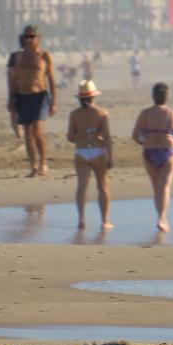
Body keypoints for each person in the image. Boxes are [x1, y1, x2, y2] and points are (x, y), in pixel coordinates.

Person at [132, 82, 173, 233]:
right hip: (167, 150)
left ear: (153, 96)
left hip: (149, 151)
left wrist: (144, 141)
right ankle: (162, 218)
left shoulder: (145, 113)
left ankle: (160, 217)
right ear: (167, 96)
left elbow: (135, 135)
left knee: (156, 187)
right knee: (165, 186)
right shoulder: (172, 113)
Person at [8, 25, 56, 177]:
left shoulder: (44, 56)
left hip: (40, 96)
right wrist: (11, 99)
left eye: (32, 36)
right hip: (23, 97)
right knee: (28, 135)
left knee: (38, 131)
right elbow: (13, 80)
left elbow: (52, 80)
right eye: (26, 36)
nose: (29, 39)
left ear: (38, 38)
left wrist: (54, 102)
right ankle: (33, 166)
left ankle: (43, 163)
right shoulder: (17, 57)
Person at [66, 80, 113, 233]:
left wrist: (82, 133)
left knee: (82, 187)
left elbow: (70, 137)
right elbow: (107, 137)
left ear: (79, 97)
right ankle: (104, 221)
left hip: (81, 152)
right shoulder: (101, 113)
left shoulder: (74, 114)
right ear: (93, 97)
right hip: (98, 151)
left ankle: (81, 219)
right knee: (102, 186)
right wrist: (110, 156)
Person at [5, 36, 24, 140]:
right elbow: (10, 75)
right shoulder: (15, 56)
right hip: (17, 90)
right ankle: (20, 137)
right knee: (15, 116)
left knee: (15, 116)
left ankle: (20, 137)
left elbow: (10, 76)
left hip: (18, 90)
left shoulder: (14, 56)